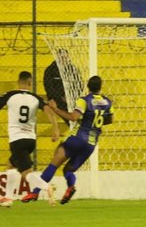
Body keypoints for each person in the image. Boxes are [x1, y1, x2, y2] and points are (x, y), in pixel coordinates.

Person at [21, 75, 113, 205]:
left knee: (54, 163)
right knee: (68, 170)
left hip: (77, 137)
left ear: (88, 86)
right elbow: (110, 120)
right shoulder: (108, 102)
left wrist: (55, 109)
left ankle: (35, 191)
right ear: (100, 87)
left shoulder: (84, 100)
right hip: (91, 144)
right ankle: (71, 186)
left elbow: (73, 117)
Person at [0, 71, 60, 207]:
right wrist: (55, 129)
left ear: (18, 82)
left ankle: (47, 187)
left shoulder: (10, 95)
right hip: (30, 140)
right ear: (30, 83)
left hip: (17, 139)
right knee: (10, 164)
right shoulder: (36, 98)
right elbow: (49, 111)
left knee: (26, 173)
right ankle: (8, 198)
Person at [43, 48, 83, 125]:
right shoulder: (50, 70)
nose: (64, 59)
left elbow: (80, 85)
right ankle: (75, 125)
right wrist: (62, 96)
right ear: (57, 58)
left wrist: (72, 96)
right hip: (58, 100)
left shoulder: (73, 69)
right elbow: (49, 88)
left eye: (65, 57)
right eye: (62, 57)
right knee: (71, 118)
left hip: (73, 99)